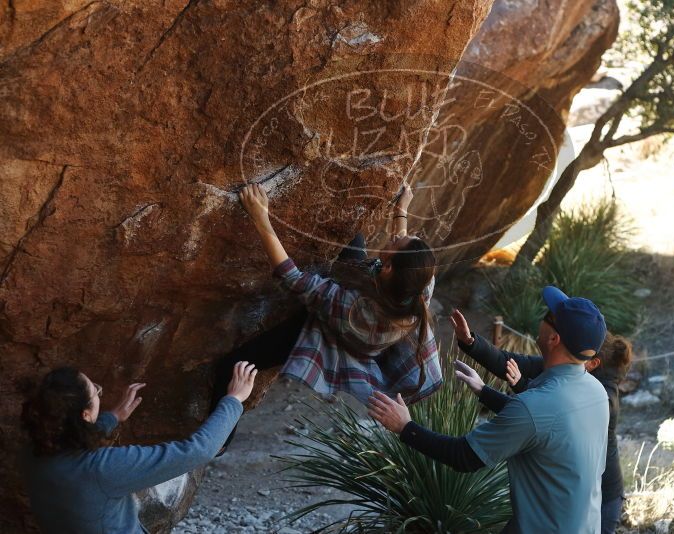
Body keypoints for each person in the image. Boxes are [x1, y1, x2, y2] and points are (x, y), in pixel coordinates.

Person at [212, 183, 441, 452]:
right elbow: (403, 258)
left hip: (329, 333)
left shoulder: (354, 309)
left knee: (233, 366)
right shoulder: (418, 289)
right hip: (362, 302)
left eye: (397, 243)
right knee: (352, 238)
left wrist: (260, 216)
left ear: (388, 269)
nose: (396, 237)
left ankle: (218, 441)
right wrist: (401, 210)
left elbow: (292, 277)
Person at [368, 286, 610, 534]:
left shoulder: (535, 407)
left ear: (553, 338)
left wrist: (405, 427)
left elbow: (464, 456)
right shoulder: (595, 391)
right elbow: (541, 428)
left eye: (548, 316)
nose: (542, 318)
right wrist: (484, 391)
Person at [451, 307, 632, 534]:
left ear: (592, 362)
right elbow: (512, 365)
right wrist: (471, 343)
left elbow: (544, 417)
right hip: (564, 495)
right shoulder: (570, 367)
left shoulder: (601, 396)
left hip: (602, 500)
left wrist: (522, 388)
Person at [20, 361, 257, 534]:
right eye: (96, 391)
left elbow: (69, 440)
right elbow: (197, 451)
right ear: (85, 414)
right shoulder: (102, 470)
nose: (99, 392)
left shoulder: (33, 453)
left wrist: (111, 417)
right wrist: (233, 400)